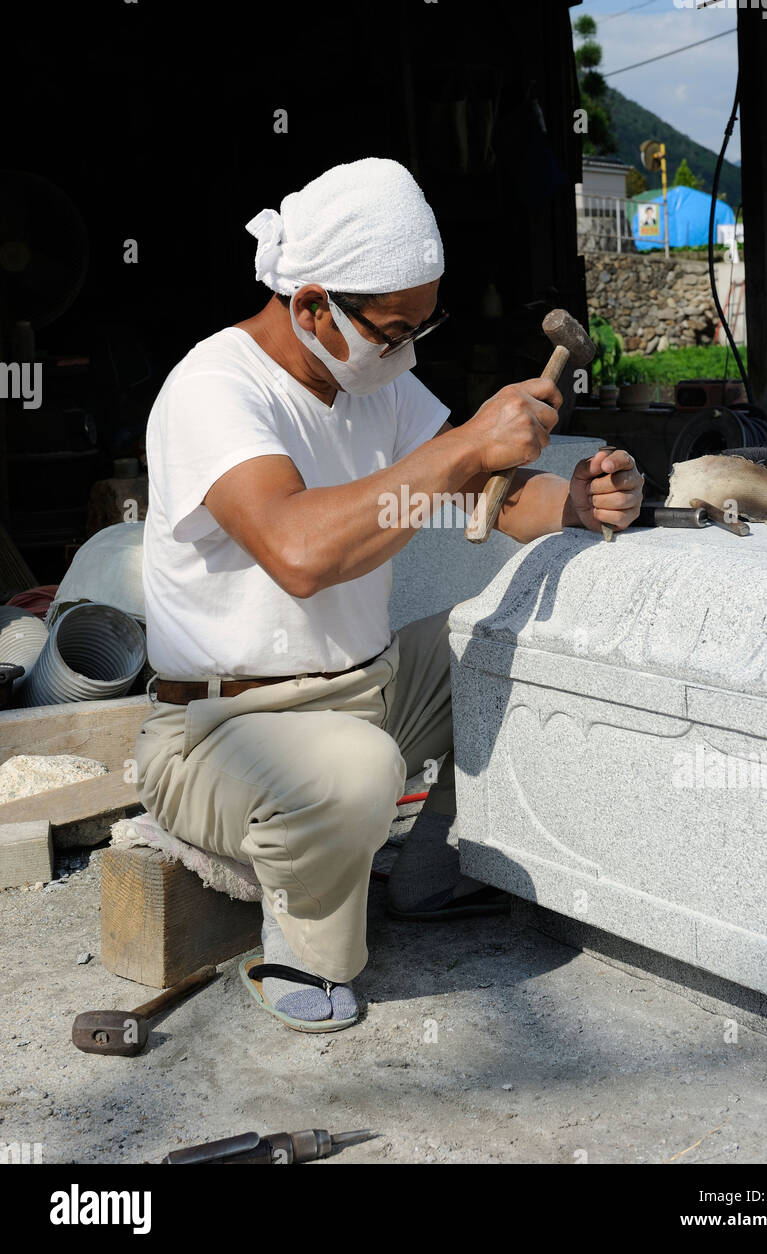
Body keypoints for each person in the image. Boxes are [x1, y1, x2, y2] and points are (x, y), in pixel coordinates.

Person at [135, 157, 643, 1033]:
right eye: (393, 329)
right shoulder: (214, 389)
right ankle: (302, 955)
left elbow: (486, 495)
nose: (407, 349)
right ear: (310, 305)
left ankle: (430, 872)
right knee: (357, 770)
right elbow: (299, 551)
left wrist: (576, 499)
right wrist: (463, 446)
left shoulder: (378, 383)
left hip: (363, 691)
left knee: (503, 639)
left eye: (421, 324)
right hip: (220, 732)